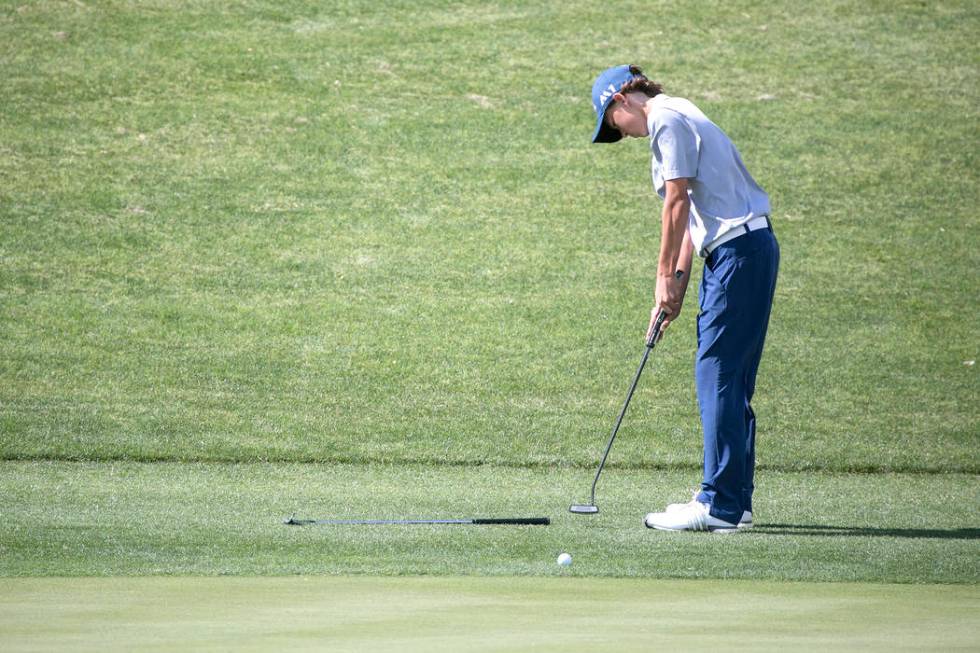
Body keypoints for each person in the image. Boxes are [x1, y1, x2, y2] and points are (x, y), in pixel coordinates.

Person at [590, 65, 779, 533]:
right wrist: (676, 281)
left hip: (738, 252)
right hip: (742, 251)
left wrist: (660, 277)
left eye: (617, 125)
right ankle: (733, 497)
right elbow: (695, 212)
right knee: (728, 377)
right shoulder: (682, 111)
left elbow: (675, 201)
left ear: (623, 99)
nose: (626, 135)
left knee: (716, 373)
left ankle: (720, 504)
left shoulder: (666, 119)